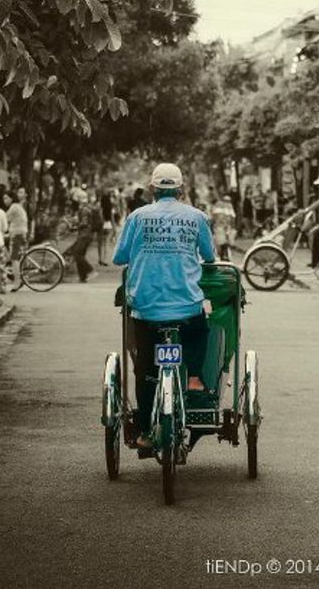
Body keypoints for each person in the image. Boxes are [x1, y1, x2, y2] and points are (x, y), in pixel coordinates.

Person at [113, 163, 215, 453]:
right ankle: (194, 378)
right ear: (181, 189)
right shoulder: (196, 217)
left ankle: (145, 431)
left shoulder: (137, 217)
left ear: (152, 190)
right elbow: (209, 257)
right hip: (187, 307)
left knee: (145, 370)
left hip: (146, 309)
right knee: (200, 329)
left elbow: (119, 258)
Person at [66, 198, 101, 283]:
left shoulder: (84, 209)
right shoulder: (85, 209)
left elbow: (84, 223)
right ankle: (82, 277)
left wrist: (75, 227)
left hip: (85, 235)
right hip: (86, 235)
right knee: (80, 255)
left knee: (77, 254)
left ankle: (91, 271)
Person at [210, 193, 237, 261]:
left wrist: (211, 227)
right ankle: (225, 255)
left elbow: (213, 218)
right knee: (225, 242)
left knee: (220, 243)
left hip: (220, 227)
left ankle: (222, 255)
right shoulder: (230, 206)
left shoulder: (217, 205)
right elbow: (233, 218)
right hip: (226, 227)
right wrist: (233, 228)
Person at [6, 187, 29, 264]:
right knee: (19, 255)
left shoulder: (14, 207)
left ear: (11, 198)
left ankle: (17, 275)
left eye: (6, 198)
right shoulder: (19, 206)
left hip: (17, 233)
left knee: (14, 259)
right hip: (21, 232)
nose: (4, 200)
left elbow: (5, 219)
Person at [97, 188, 115, 266]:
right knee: (106, 243)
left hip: (101, 225)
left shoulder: (100, 207)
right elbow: (112, 218)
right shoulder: (110, 207)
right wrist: (114, 228)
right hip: (108, 225)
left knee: (100, 243)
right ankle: (105, 260)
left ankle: (100, 259)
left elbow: (99, 214)